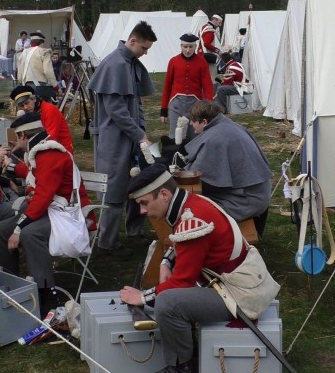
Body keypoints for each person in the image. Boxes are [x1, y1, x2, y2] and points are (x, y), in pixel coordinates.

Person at [119, 164, 248, 373]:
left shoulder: (193, 218)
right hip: (227, 283)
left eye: (144, 203)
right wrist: (166, 262)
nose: (142, 211)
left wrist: (141, 297)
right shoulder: (190, 203)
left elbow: (182, 282)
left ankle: (182, 367)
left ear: (164, 194)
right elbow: (182, 241)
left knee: (168, 303)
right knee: (168, 296)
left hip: (237, 295)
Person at [0, 113, 73, 315]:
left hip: (63, 212)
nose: (16, 142)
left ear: (23, 135)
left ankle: (47, 293)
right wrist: (11, 166)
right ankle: (12, 284)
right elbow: (32, 172)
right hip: (45, 209)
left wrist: (19, 228)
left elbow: (43, 196)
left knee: (29, 234)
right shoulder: (41, 151)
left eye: (17, 137)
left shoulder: (50, 153)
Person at [87, 21, 157, 256]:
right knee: (114, 191)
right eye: (144, 48)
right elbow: (116, 111)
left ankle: (134, 231)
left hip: (132, 138)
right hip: (114, 140)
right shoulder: (115, 64)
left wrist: (141, 130)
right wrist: (140, 135)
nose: (145, 53)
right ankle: (107, 242)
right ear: (133, 41)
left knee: (140, 184)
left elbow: (135, 103)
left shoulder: (130, 63)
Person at [9, 85, 96, 228]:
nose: (25, 107)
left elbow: (49, 139)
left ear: (34, 99)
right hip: (43, 152)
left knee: (46, 187)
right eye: (21, 105)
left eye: (26, 103)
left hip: (57, 153)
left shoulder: (49, 110)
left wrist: (24, 148)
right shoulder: (35, 111)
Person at [185, 101, 271, 235]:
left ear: (204, 122)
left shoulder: (216, 138)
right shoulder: (228, 126)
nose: (191, 123)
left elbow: (198, 176)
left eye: (193, 120)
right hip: (256, 194)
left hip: (246, 200)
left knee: (193, 208)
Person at [160, 33, 213, 141]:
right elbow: (167, 86)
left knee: (194, 134)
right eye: (185, 47)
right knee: (175, 135)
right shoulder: (173, 61)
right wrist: (164, 110)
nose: (188, 50)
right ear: (181, 46)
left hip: (195, 104)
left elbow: (207, 86)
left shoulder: (202, 62)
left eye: (190, 47)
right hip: (176, 104)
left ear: (195, 47)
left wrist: (209, 109)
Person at [197, 14, 223, 80]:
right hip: (206, 55)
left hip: (201, 53)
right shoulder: (210, 30)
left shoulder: (204, 27)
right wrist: (218, 51)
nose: (220, 25)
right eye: (219, 22)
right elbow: (206, 44)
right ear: (214, 20)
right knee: (211, 75)